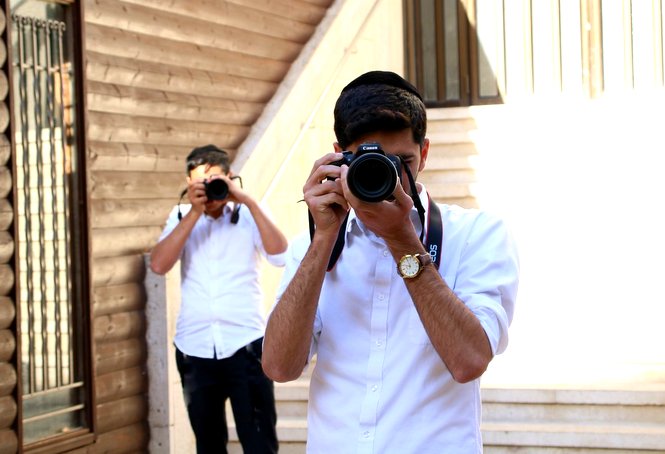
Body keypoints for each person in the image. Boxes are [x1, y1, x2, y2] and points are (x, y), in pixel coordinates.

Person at [262, 71, 519, 453]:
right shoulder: (314, 247)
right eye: (375, 164)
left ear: (426, 153)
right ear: (338, 156)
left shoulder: (477, 235)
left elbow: (469, 361)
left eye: (403, 161)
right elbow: (280, 368)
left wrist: (401, 238)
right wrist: (323, 238)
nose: (392, 178)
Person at [150, 144, 287, 454]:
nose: (210, 188)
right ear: (188, 183)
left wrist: (247, 200)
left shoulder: (250, 213)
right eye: (201, 181)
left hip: (247, 347)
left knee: (259, 444)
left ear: (229, 178)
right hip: (195, 351)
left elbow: (280, 256)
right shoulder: (181, 215)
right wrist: (195, 212)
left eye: (216, 180)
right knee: (209, 446)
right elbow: (159, 265)